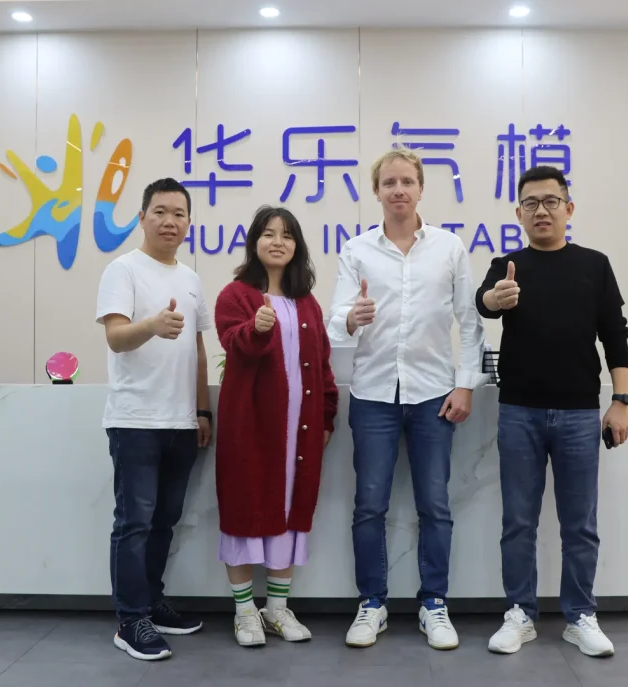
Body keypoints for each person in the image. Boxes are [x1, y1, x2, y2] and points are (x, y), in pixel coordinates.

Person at [327, 149, 488, 651]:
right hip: (373, 393)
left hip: (433, 395)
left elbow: (471, 321)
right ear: (376, 192)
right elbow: (336, 322)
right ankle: (371, 603)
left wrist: (465, 384)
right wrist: (353, 317)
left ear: (421, 189)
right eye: (389, 182)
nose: (398, 190)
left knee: (434, 505)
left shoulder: (449, 248)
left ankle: (433, 603)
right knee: (368, 506)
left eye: (407, 181)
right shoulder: (356, 251)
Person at [475, 165, 628, 658]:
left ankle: (580, 615)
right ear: (518, 212)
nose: (540, 210)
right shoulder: (507, 265)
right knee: (518, 521)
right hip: (519, 411)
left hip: (581, 414)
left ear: (569, 208)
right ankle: (520, 614)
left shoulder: (595, 264)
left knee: (579, 523)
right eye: (530, 203)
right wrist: (494, 298)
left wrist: (621, 401)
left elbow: (616, 336)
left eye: (549, 201)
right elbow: (482, 304)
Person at [95, 178, 213, 661]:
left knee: (165, 520)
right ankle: (131, 619)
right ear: (142, 216)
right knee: (134, 522)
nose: (170, 221)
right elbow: (116, 338)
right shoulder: (121, 270)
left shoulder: (191, 278)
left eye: (179, 213)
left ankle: (152, 601)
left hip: (181, 422)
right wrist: (153, 326)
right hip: (134, 419)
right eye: (160, 211)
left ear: (189, 222)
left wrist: (203, 409)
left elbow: (200, 348)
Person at [213, 205, 338, 647]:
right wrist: (257, 327)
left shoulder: (307, 303)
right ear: (254, 243)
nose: (277, 241)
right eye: (268, 234)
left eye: (286, 235)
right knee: (246, 509)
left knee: (290, 510)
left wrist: (327, 414)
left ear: (297, 247)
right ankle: (245, 612)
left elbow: (322, 364)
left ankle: (278, 610)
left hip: (300, 432)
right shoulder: (235, 295)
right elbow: (235, 343)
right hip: (250, 427)